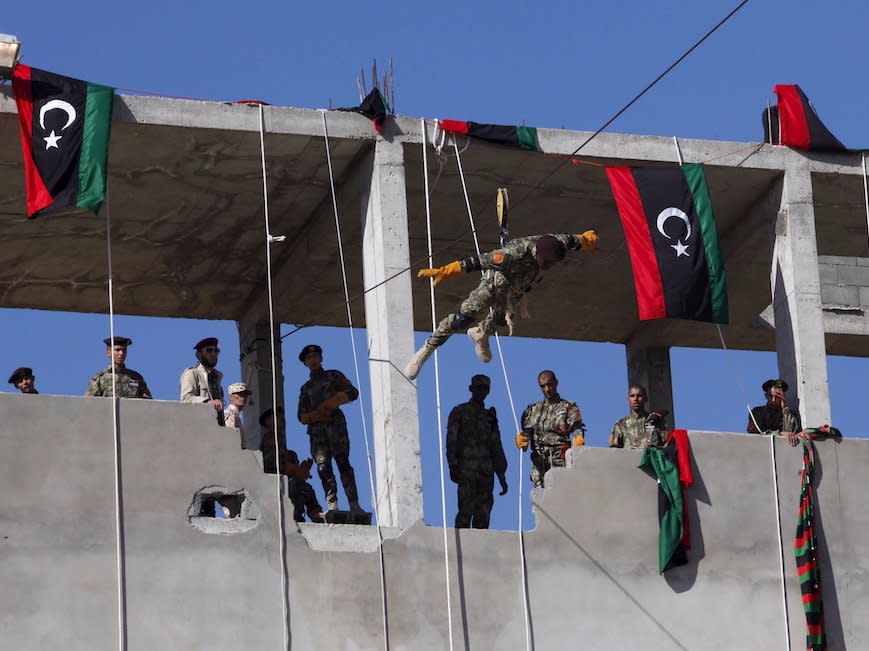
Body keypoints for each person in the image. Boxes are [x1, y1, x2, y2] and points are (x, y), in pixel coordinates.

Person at [405, 231, 599, 380]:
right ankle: (427, 349)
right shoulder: (512, 254)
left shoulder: (556, 243)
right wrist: (448, 270)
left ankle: (481, 333)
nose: (548, 266)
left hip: (518, 285)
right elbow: (479, 261)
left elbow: (572, 239)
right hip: (496, 282)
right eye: (546, 262)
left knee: (500, 318)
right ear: (537, 253)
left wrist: (586, 240)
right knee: (464, 318)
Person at [296, 344, 364, 514]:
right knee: (323, 467)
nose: (312, 360)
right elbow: (301, 416)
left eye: (315, 356)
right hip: (318, 433)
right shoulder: (306, 388)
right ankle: (332, 503)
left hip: (336, 428)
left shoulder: (333, 376)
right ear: (305, 363)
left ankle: (354, 503)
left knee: (343, 463)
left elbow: (353, 392)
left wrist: (334, 402)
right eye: (309, 358)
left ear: (321, 358)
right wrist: (317, 415)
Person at [446, 374, 508, 529]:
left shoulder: (489, 416)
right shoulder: (459, 412)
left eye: (485, 389)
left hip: (486, 473)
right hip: (466, 471)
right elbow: (451, 441)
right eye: (478, 388)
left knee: (483, 515)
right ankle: (460, 550)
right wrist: (452, 465)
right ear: (471, 389)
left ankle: (480, 551)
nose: (481, 392)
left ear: (488, 391)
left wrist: (501, 474)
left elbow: (496, 445)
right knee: (465, 513)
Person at [515, 370, 584, 488]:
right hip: (539, 462)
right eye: (543, 386)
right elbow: (528, 432)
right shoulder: (533, 410)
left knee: (560, 497)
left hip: (559, 461)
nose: (547, 389)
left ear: (556, 383)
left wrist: (578, 438)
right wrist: (523, 439)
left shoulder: (568, 407)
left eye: (549, 384)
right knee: (541, 500)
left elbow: (576, 426)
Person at [259, 407, 324, 523]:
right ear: (268, 421)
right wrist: (295, 470)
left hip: (296, 522)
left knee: (304, 489)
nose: (282, 419)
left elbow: (315, 511)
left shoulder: (304, 488)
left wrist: (298, 472)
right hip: (275, 492)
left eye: (282, 416)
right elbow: (271, 462)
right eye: (277, 417)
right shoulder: (271, 436)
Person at [86, 337, 152, 399]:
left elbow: (148, 403)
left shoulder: (136, 377)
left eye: (124, 350)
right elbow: (89, 403)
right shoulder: (99, 379)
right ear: (109, 352)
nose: (121, 353)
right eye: (117, 350)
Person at [180, 337, 225, 425]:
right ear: (198, 355)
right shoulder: (192, 373)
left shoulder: (216, 378)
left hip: (217, 428)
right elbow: (186, 399)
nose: (213, 354)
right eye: (209, 350)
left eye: (216, 351)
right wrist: (207, 402)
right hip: (199, 427)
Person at [609, 385, 668, 449]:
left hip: (650, 457)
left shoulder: (655, 421)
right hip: (629, 458)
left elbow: (666, 445)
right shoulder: (621, 424)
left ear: (646, 399)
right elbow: (614, 450)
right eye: (632, 396)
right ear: (628, 400)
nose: (635, 399)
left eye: (639, 396)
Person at [747, 378, 802, 446]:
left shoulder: (789, 413)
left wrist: (785, 409)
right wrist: (780, 434)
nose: (773, 400)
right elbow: (756, 433)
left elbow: (792, 433)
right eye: (771, 396)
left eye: (777, 396)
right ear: (766, 396)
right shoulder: (757, 412)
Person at [223, 382, 252, 449]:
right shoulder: (230, 413)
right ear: (231, 397)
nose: (243, 397)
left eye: (245, 394)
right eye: (240, 394)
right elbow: (231, 439)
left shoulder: (237, 415)